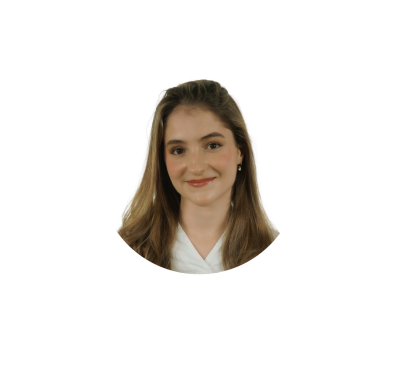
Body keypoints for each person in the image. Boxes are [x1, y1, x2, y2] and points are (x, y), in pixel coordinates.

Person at [117, 80, 279, 274]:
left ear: (240, 151)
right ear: (162, 160)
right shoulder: (131, 245)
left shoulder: (269, 244)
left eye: (212, 145)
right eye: (178, 150)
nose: (196, 167)